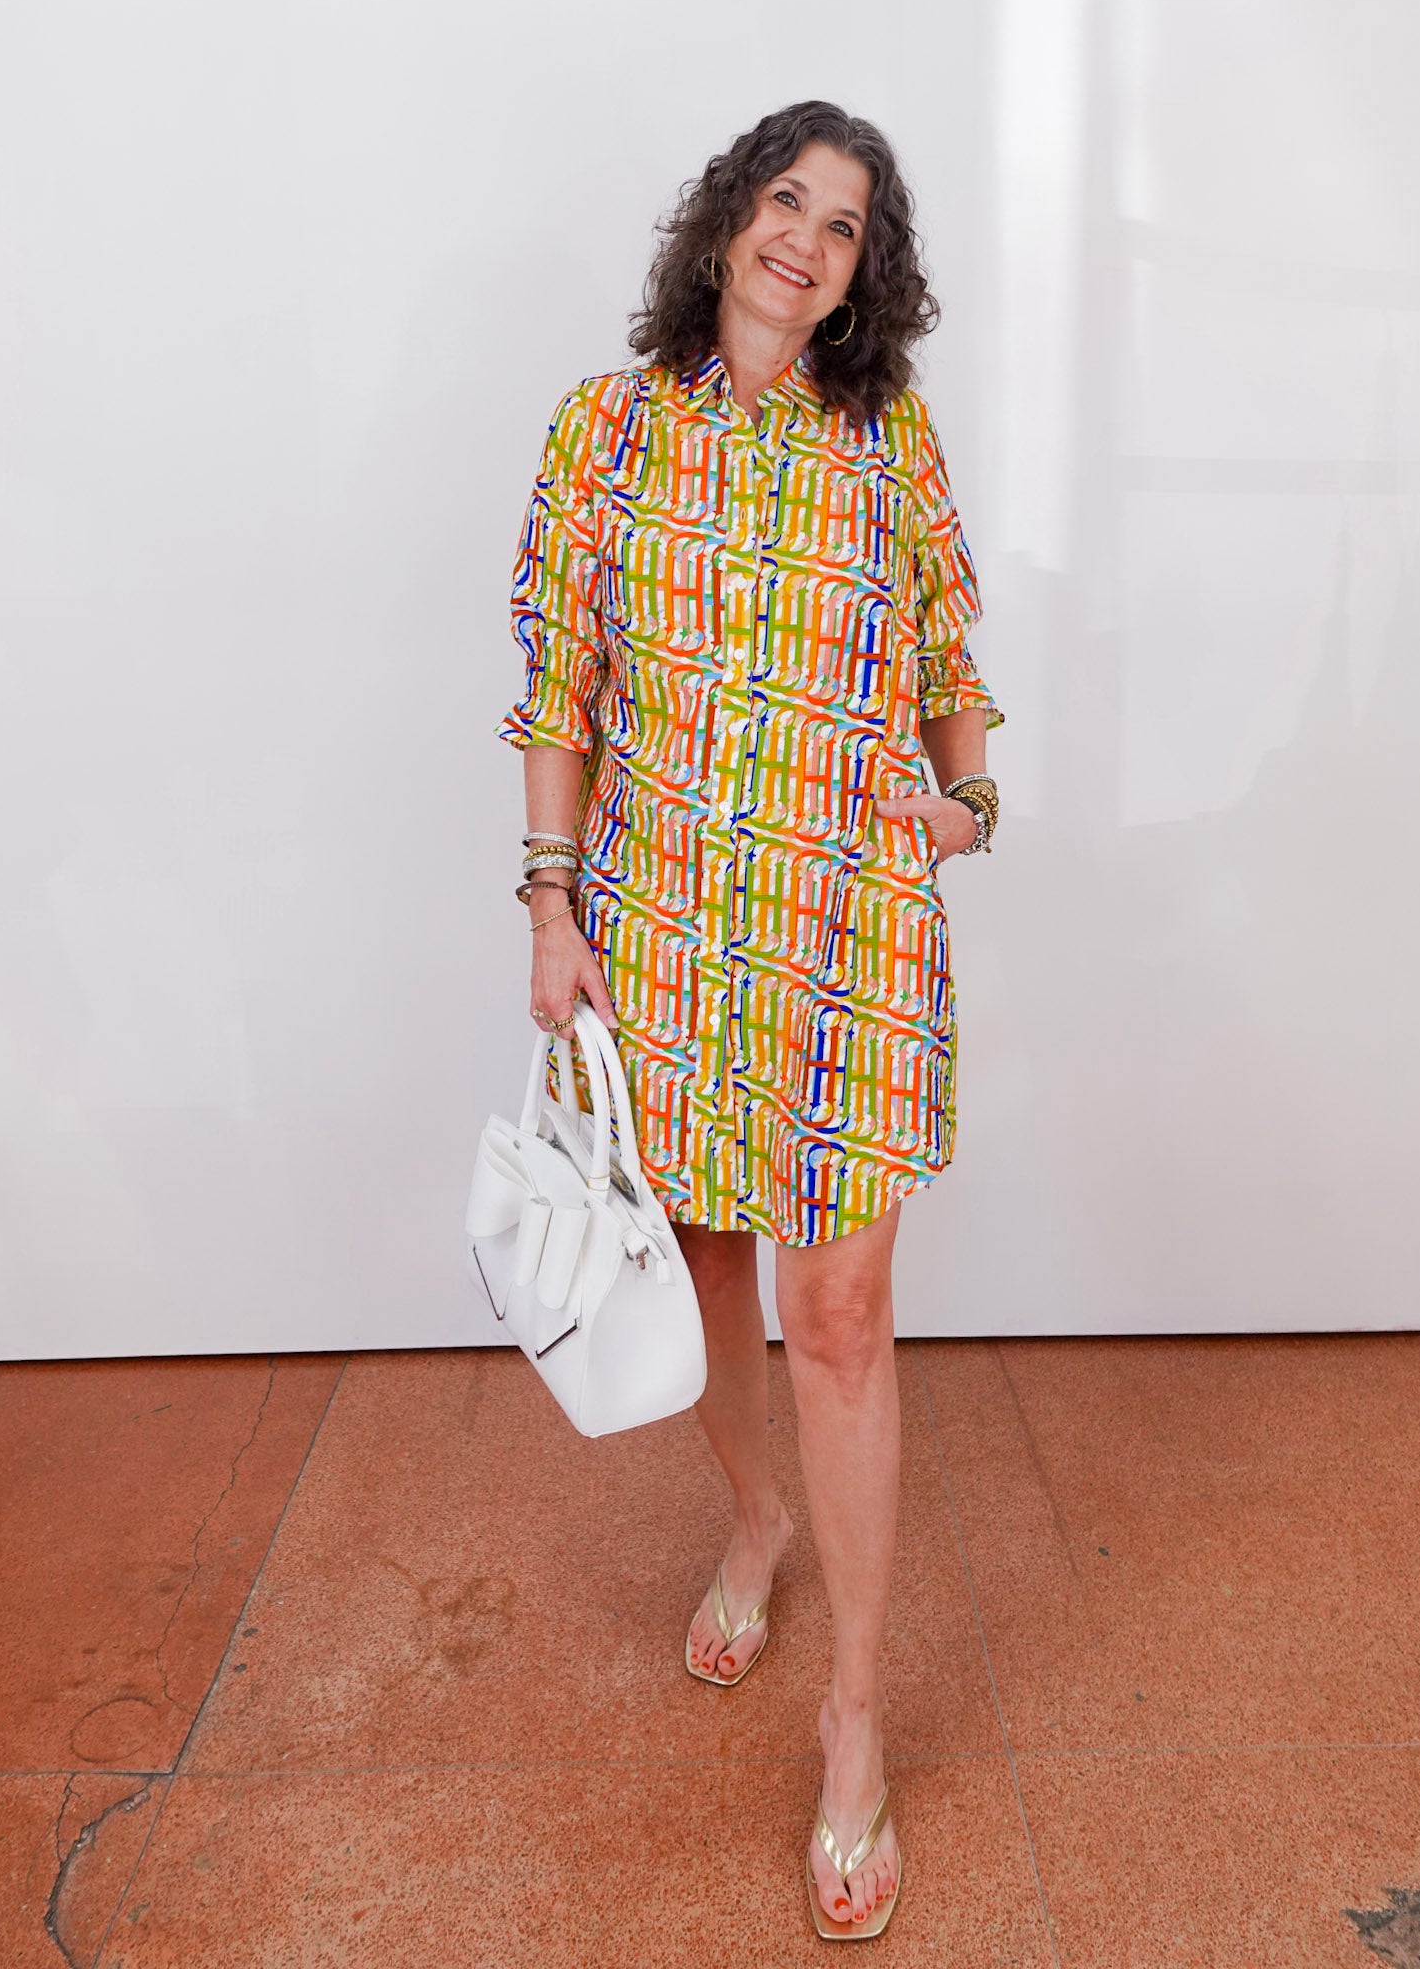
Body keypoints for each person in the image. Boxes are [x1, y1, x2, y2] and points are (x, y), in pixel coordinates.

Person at [495, 99, 1003, 1941]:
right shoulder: (605, 429)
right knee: (707, 1270)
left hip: (850, 931)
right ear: (725, 222)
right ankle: (755, 1519)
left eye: (845, 224)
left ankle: (855, 1712)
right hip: (668, 939)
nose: (808, 237)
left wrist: (969, 802)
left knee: (841, 1312)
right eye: (786, 199)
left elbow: (949, 666)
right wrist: (551, 905)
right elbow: (558, 685)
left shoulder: (889, 437)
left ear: (866, 274)